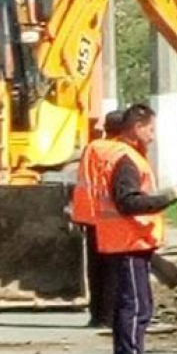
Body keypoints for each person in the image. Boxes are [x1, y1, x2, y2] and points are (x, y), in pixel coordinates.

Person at [97, 103, 177, 354]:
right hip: (128, 241)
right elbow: (128, 202)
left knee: (135, 305)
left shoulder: (127, 155)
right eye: (150, 129)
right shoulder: (126, 160)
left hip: (129, 241)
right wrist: (166, 198)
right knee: (135, 307)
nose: (152, 135)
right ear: (137, 128)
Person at [71, 110, 125, 328]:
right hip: (111, 216)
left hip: (89, 214)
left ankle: (97, 315)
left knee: (95, 267)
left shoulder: (92, 148)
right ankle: (109, 316)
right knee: (113, 267)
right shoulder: (120, 151)